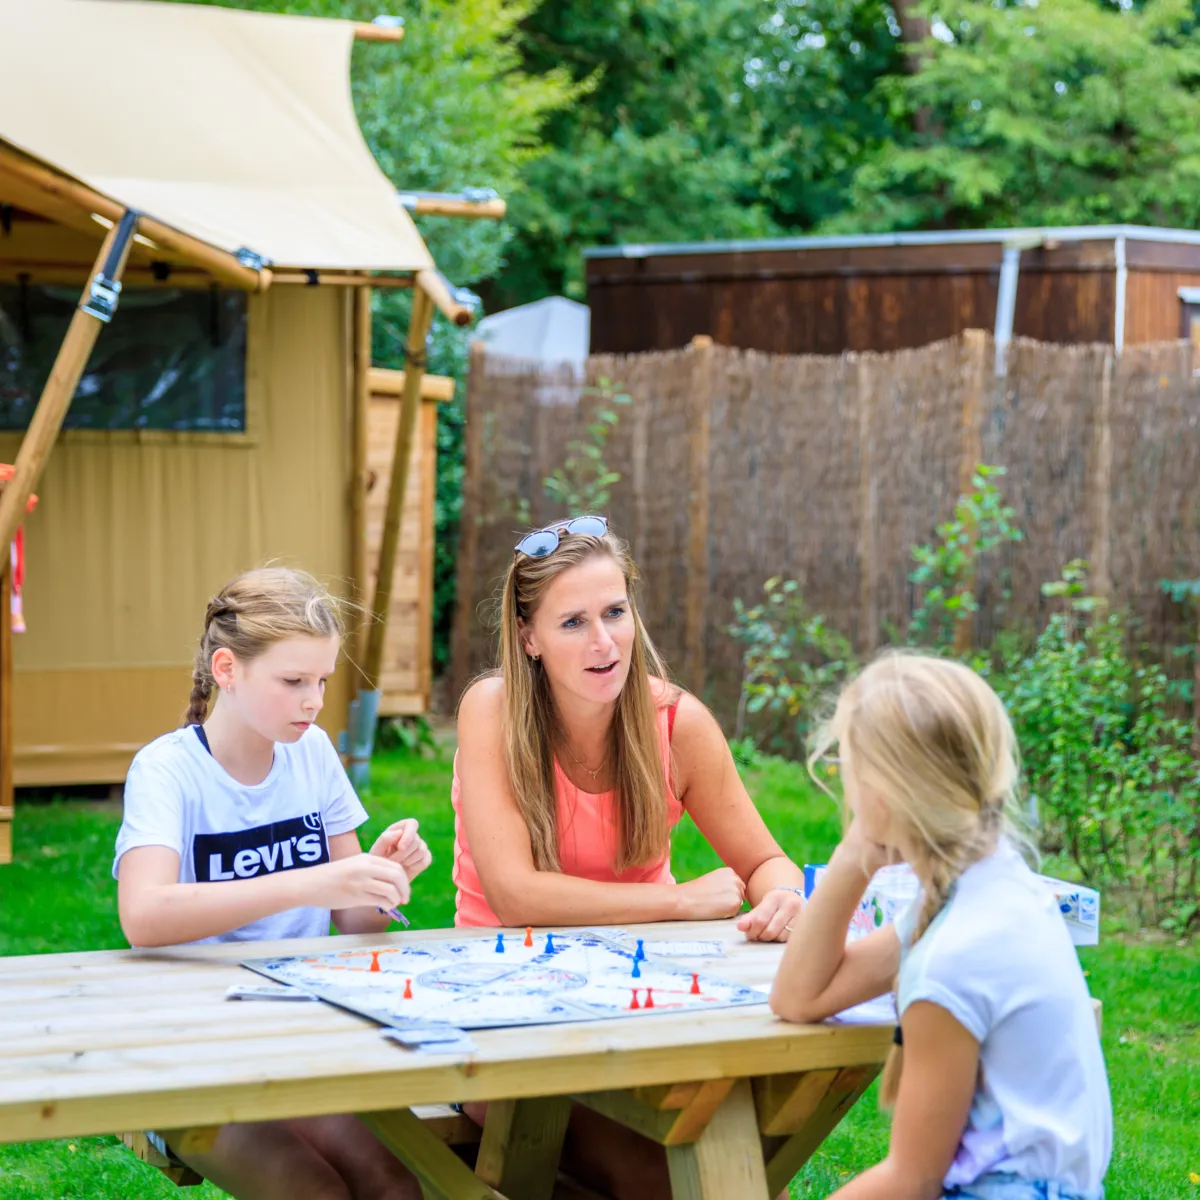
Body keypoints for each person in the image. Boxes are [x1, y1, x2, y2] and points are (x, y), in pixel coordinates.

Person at [454, 516, 807, 1197]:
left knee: (728, 1159)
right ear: (528, 638)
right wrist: (677, 902)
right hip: (503, 1009)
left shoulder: (677, 721)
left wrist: (783, 893)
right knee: (673, 1179)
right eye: (572, 623)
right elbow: (517, 898)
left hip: (643, 1007)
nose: (604, 641)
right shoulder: (490, 710)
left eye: (615, 611)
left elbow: (768, 863)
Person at [115, 566, 431, 1200]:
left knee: (397, 1187)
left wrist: (381, 878)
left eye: (321, 681)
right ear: (228, 669)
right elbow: (143, 917)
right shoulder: (167, 770)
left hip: (300, 1039)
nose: (313, 702)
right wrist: (310, 884)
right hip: (195, 1051)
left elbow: (356, 923)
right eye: (293, 682)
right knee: (313, 1191)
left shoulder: (311, 752)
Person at [770, 653, 1111, 1200]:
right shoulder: (992, 890)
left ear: (882, 795)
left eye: (849, 769)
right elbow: (798, 996)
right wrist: (858, 849)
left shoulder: (955, 955)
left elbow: (912, 1181)